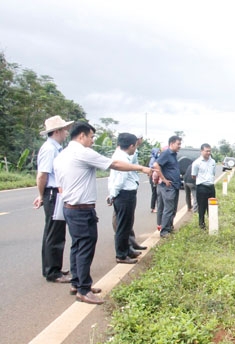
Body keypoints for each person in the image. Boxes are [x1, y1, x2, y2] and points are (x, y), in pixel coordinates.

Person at [54, 122, 152, 305]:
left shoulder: (62, 155)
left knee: (77, 246)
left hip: (70, 207)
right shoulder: (82, 152)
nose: (92, 141)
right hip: (82, 209)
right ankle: (84, 290)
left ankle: (77, 283)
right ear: (81, 136)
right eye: (91, 137)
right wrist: (141, 168)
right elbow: (113, 164)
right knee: (85, 247)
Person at [33, 115, 73, 283]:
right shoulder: (49, 149)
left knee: (54, 232)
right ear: (57, 131)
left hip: (55, 193)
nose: (66, 133)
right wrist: (41, 195)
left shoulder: (55, 148)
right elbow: (42, 175)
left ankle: (52, 267)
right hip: (53, 193)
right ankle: (52, 272)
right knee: (54, 233)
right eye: (64, 130)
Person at [107, 133, 141, 264]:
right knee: (123, 226)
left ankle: (127, 250)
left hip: (125, 193)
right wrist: (113, 195)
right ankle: (121, 254)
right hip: (124, 194)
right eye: (135, 146)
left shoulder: (121, 156)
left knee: (127, 225)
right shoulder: (123, 159)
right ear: (131, 145)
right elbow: (120, 179)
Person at [153, 136, 182, 238]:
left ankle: (169, 227)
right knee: (168, 209)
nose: (180, 146)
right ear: (172, 143)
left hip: (175, 185)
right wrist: (164, 179)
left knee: (173, 209)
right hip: (168, 187)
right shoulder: (166, 153)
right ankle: (164, 231)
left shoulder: (173, 155)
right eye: (178, 144)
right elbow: (156, 165)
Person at [191, 143, 216, 229]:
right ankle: (201, 224)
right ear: (201, 151)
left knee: (212, 206)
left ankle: (212, 224)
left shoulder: (213, 161)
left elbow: (213, 173)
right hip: (201, 187)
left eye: (210, 151)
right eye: (207, 151)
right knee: (202, 206)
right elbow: (193, 175)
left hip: (211, 186)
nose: (208, 153)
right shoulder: (196, 163)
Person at [148, 147, 160, 213]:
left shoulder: (156, 159)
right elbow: (151, 168)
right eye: (158, 152)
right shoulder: (153, 159)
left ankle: (157, 207)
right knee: (154, 193)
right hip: (153, 177)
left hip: (155, 177)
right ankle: (152, 208)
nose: (159, 153)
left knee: (157, 193)